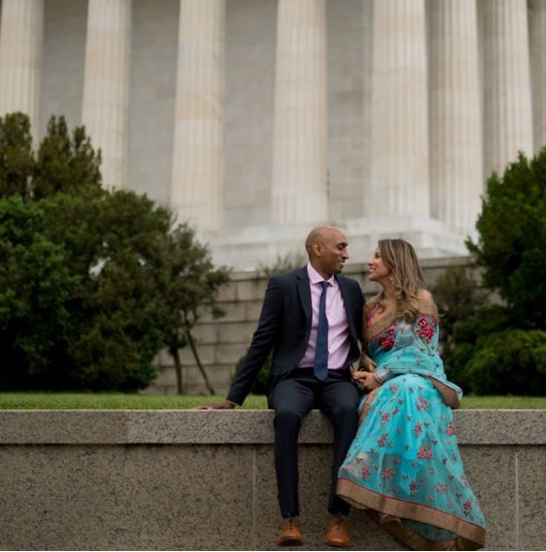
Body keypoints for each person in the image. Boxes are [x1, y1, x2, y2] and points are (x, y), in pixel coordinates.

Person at [198, 225, 366, 548]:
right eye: (340, 247)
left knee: (349, 410)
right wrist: (234, 398)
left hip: (336, 379)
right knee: (286, 415)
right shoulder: (284, 285)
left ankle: (338, 518)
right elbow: (262, 341)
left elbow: (367, 338)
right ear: (317, 249)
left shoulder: (351, 288)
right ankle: (290, 519)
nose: (346, 254)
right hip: (294, 378)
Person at [336, 238, 487, 550]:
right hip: (379, 388)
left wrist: (382, 377)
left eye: (378, 256)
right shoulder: (369, 309)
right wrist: (364, 375)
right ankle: (370, 476)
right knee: (397, 391)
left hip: (421, 378)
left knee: (407, 387)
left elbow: (424, 352)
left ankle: (374, 471)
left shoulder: (421, 301)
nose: (370, 261)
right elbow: (364, 355)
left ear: (395, 262)